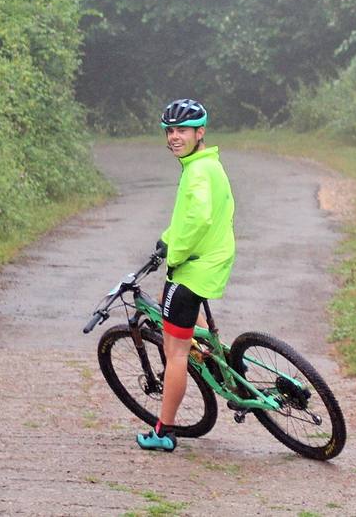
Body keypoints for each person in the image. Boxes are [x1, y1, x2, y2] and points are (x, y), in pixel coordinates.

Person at [136, 98, 235, 452]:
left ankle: (164, 431)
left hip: (194, 268)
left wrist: (173, 256)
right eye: (171, 131)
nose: (175, 137)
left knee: (174, 352)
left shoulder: (195, 173)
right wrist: (166, 239)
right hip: (213, 259)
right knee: (178, 329)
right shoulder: (209, 164)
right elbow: (189, 218)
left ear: (200, 132)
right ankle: (208, 356)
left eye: (182, 131)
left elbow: (199, 219)